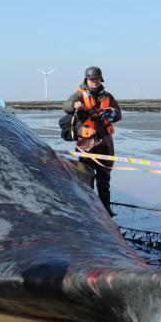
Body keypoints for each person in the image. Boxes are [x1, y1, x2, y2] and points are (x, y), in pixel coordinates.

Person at [62, 66, 122, 215]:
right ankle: (89, 211)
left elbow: (119, 115)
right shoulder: (79, 95)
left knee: (104, 179)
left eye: (97, 79)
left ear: (101, 79)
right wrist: (75, 105)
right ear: (86, 80)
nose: (94, 81)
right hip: (86, 144)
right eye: (91, 79)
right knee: (85, 178)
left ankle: (106, 210)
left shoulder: (108, 96)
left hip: (105, 142)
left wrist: (111, 114)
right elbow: (66, 106)